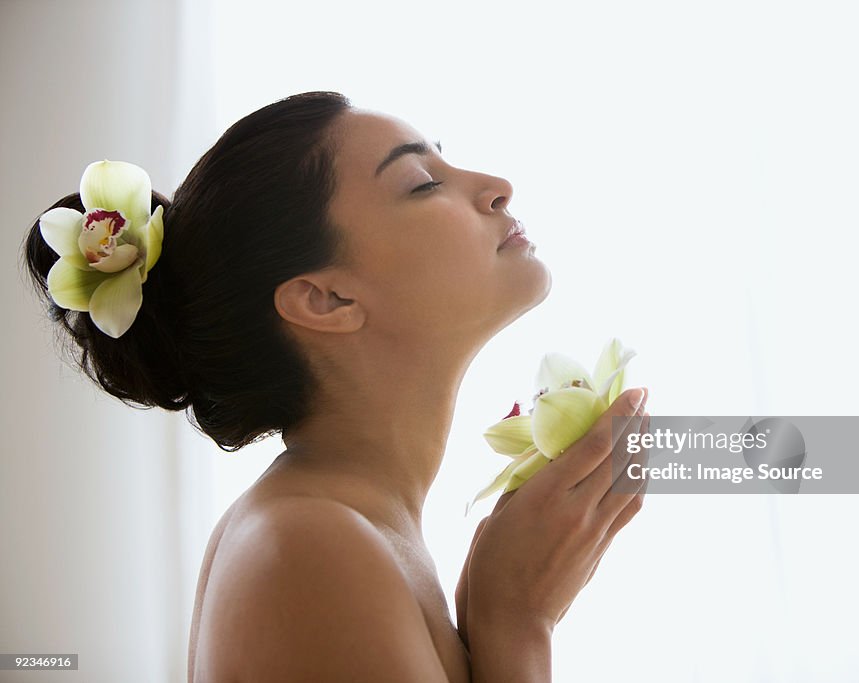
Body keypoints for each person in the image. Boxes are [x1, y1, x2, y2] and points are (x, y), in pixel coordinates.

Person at [21, 91, 650, 682]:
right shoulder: (311, 547)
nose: (496, 188)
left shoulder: (341, 528)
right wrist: (518, 625)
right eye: (424, 183)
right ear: (325, 299)